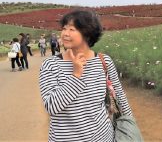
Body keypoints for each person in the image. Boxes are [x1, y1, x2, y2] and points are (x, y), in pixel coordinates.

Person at [39, 10, 133, 141]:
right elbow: (52, 107)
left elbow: (120, 95)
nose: (65, 33)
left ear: (87, 34)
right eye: (64, 28)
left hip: (103, 137)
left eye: (72, 29)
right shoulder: (51, 65)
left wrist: (130, 125)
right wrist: (76, 75)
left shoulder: (103, 61)